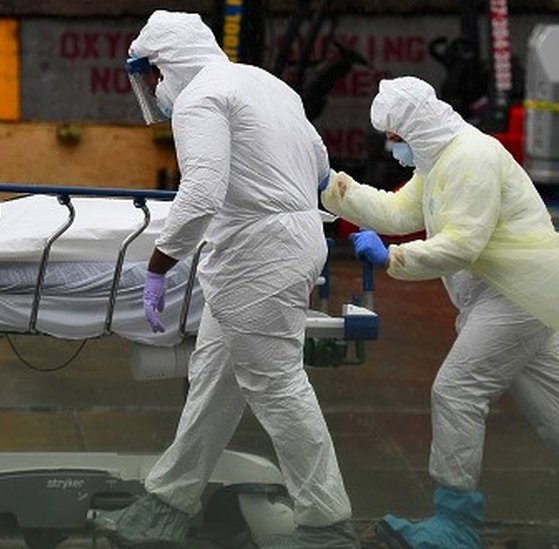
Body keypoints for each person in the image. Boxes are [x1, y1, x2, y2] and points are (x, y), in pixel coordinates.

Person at [321, 76, 559, 549]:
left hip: (515, 299)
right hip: (520, 296)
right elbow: (401, 211)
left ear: (416, 129)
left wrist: (394, 259)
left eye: (395, 139)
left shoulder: (471, 157)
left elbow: (464, 243)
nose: (391, 148)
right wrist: (335, 189)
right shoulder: (438, 158)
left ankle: (455, 523)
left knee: (457, 390)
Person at [92, 10, 359, 549]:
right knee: (215, 382)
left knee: (277, 384)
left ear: (167, 62)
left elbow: (203, 191)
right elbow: (321, 168)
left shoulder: (200, 99)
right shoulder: (268, 85)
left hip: (257, 255)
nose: (156, 90)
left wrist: (159, 265)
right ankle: (168, 502)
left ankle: (327, 523)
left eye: (153, 75)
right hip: (289, 243)